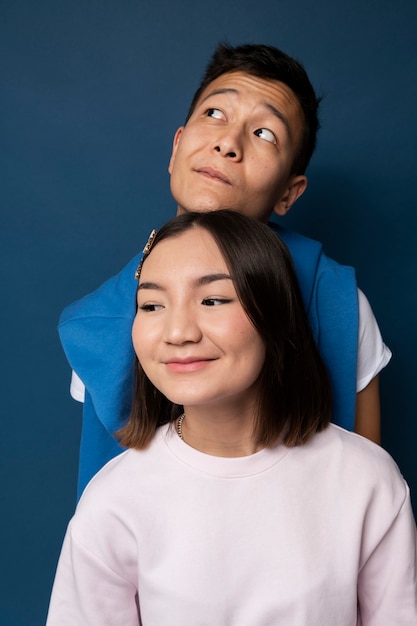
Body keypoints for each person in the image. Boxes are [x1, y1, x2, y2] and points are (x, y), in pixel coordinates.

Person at [47, 211, 416, 625]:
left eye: (212, 300)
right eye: (151, 305)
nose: (178, 331)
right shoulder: (113, 500)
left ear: (275, 315)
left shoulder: (366, 480)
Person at [59, 42, 391, 497]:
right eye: (215, 114)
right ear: (177, 148)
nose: (228, 142)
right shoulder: (98, 323)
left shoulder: (336, 302)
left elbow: (372, 495)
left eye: (265, 134)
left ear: (289, 194)